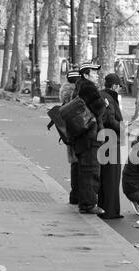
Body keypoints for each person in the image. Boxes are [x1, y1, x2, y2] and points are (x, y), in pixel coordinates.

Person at [69, 62, 106, 215]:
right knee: (91, 170)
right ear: (86, 75)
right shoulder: (88, 87)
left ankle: (83, 201)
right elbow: (99, 107)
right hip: (90, 135)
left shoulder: (78, 87)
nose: (97, 76)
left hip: (80, 135)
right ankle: (88, 204)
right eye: (94, 73)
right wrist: (105, 102)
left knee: (83, 170)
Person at [97, 73, 124, 219]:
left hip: (104, 140)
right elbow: (110, 120)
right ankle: (110, 210)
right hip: (111, 141)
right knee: (112, 176)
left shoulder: (102, 95)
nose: (119, 89)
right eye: (119, 86)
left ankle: (104, 206)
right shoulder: (109, 98)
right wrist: (123, 127)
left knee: (106, 175)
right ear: (114, 85)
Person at [59, 68, 81, 204]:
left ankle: (74, 195)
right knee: (78, 164)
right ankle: (77, 194)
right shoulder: (75, 93)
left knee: (74, 163)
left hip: (69, 130)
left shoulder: (65, 93)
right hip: (77, 129)